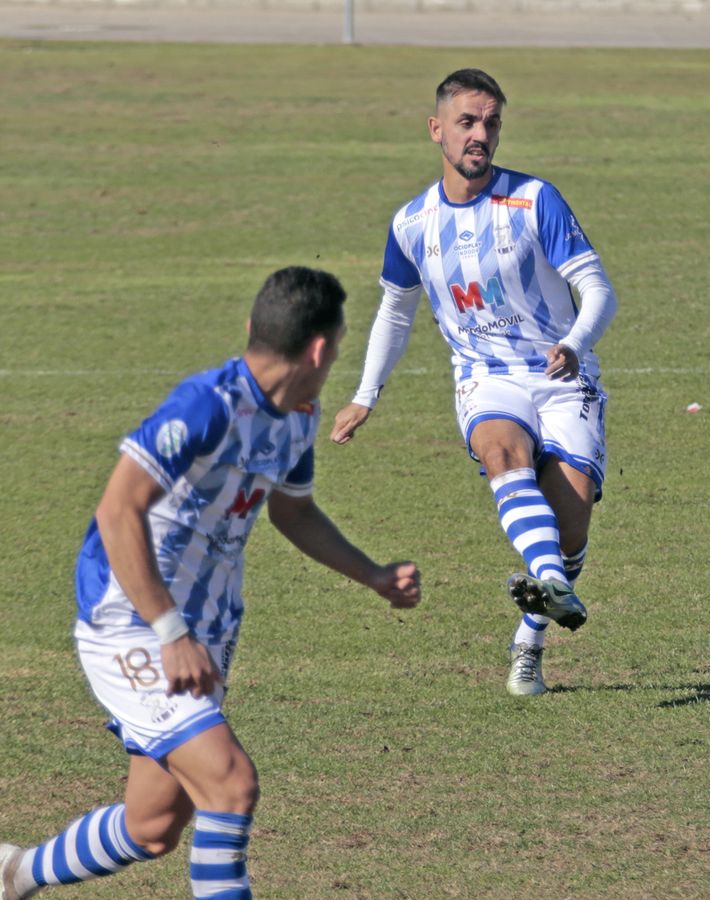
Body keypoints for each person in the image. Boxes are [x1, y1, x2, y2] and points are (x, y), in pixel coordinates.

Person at [0, 267, 422, 899]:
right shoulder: (206, 406)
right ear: (321, 349)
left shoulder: (297, 417)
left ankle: (14, 874)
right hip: (133, 624)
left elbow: (294, 510)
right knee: (230, 785)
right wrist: (170, 631)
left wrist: (371, 575)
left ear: (257, 328)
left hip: (203, 634)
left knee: (152, 826)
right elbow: (118, 511)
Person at [329, 68, 618, 698]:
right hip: (486, 379)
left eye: (490, 122)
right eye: (466, 122)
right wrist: (364, 394)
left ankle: (530, 637)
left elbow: (597, 289)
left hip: (563, 377)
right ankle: (549, 577)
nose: (479, 134)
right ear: (437, 130)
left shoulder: (536, 199)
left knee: (570, 528)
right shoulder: (411, 224)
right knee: (500, 452)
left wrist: (573, 343)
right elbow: (395, 312)